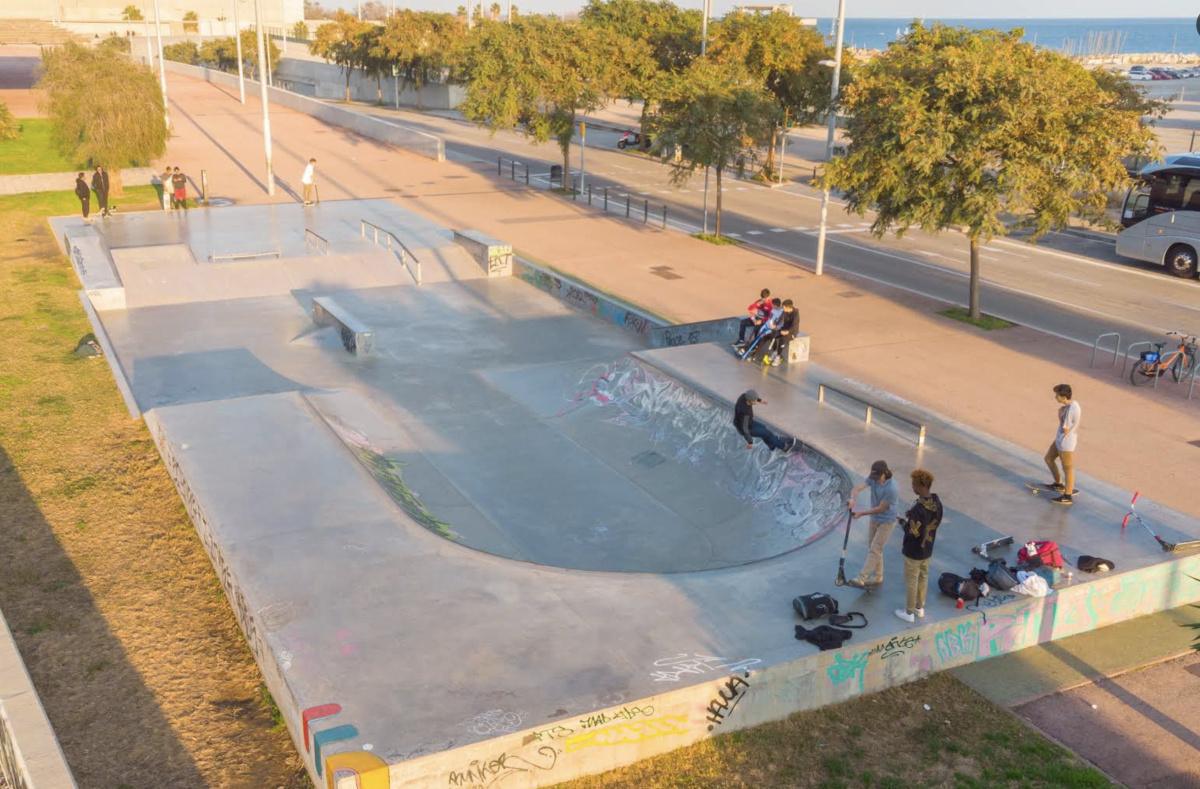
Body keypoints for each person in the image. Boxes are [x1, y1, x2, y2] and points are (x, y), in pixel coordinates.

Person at [895, 468, 943, 623]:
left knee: (911, 580)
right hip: (928, 549)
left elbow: (912, 532)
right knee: (923, 577)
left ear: (920, 485)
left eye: (913, 484)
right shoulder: (936, 502)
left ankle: (909, 612)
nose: (912, 487)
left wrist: (902, 522)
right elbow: (932, 522)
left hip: (913, 551)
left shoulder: (918, 509)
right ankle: (919, 608)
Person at [846, 460, 900, 590]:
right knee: (873, 547)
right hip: (875, 519)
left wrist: (861, 513)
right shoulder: (873, 478)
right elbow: (857, 488)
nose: (875, 480)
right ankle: (878, 576)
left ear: (884, 474)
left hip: (887, 520)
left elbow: (881, 508)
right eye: (873, 477)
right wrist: (853, 498)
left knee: (875, 548)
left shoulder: (892, 488)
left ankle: (861, 578)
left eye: (878, 477)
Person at [1044, 383, 1080, 505]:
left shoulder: (1071, 410)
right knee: (1049, 458)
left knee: (1068, 469)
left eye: (1057, 395)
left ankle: (1067, 495)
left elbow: (1065, 428)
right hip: (1059, 440)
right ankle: (1058, 484)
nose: (1055, 397)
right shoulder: (1072, 405)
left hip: (1066, 443)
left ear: (1063, 397)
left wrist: (1060, 414)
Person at [764, 299, 799, 367]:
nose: (782, 309)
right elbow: (780, 319)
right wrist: (775, 325)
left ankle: (778, 357)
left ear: (788, 307)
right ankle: (775, 352)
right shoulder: (784, 312)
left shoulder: (795, 313)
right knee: (772, 334)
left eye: (784, 307)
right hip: (783, 329)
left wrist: (788, 331)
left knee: (782, 340)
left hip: (791, 332)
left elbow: (795, 325)